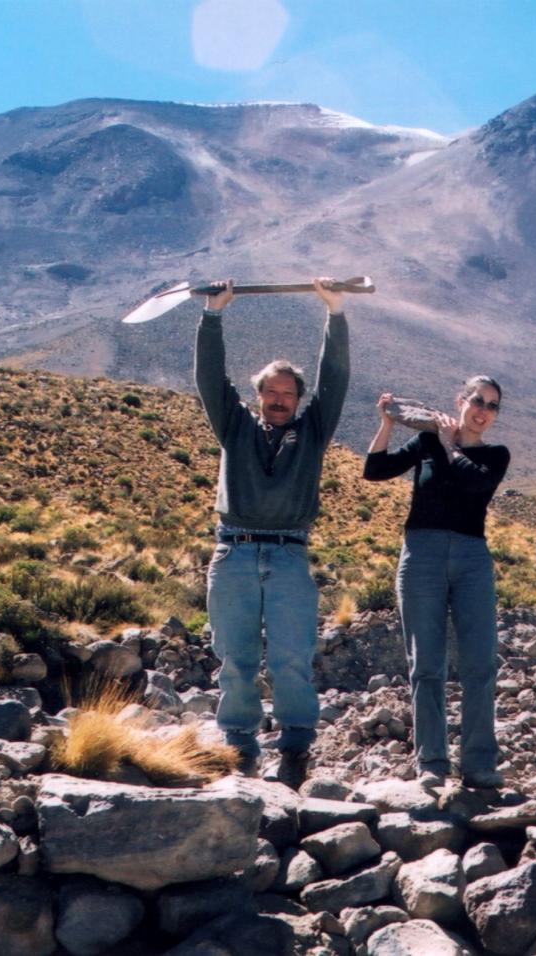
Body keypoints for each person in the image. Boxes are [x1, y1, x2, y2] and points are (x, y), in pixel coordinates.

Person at [195, 277, 352, 790]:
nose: (280, 400)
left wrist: (335, 314)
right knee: (236, 657)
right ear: (258, 394)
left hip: (288, 555)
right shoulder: (234, 426)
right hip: (233, 550)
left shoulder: (312, 433)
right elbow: (209, 379)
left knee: (290, 657)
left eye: (289, 393)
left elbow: (336, 383)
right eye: (272, 391)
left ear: (298, 400)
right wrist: (213, 316)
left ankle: (295, 748)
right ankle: (239, 747)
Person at [362, 377, 510, 789]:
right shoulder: (428, 443)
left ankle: (479, 762)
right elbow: (375, 470)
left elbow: (474, 485)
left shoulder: (495, 455)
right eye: (477, 401)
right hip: (421, 554)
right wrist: (388, 424)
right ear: (460, 401)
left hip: (471, 558)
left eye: (492, 406)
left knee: (479, 662)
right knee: (425, 664)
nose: (482, 410)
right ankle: (432, 761)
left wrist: (450, 444)